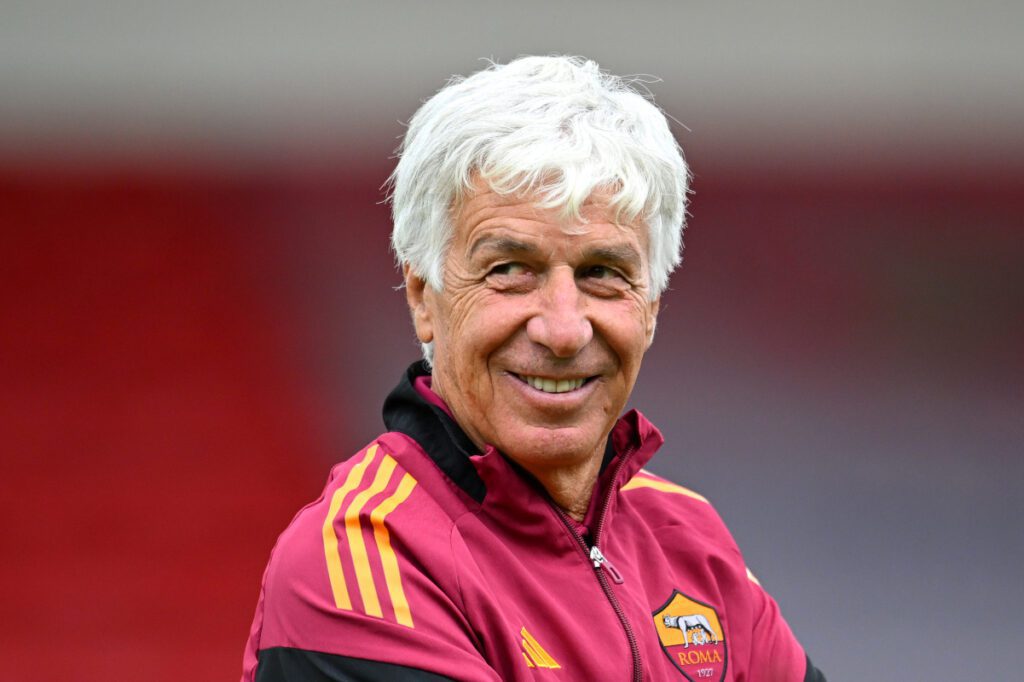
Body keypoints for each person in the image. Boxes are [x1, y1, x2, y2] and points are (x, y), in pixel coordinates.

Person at [242, 55, 826, 682]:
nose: (564, 330)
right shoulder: (360, 560)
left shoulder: (691, 538)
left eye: (603, 273)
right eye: (510, 270)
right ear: (423, 297)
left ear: (652, 307)